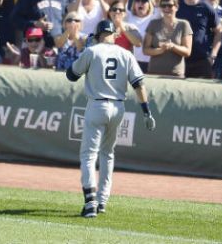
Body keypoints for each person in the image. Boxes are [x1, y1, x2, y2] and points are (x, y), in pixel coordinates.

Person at [66, 19, 155, 218]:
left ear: (97, 35)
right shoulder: (126, 54)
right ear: (115, 35)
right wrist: (146, 111)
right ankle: (102, 199)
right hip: (118, 106)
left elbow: (71, 75)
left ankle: (90, 201)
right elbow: (139, 85)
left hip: (97, 104)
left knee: (89, 154)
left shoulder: (92, 51)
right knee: (107, 153)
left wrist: (86, 52)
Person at [143, 0, 193, 78]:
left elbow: (187, 52)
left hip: (176, 75)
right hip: (154, 74)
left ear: (176, 7)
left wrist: (172, 46)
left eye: (170, 6)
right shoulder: (153, 24)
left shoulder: (184, 24)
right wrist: (161, 50)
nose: (166, 8)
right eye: (163, 5)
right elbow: (146, 50)